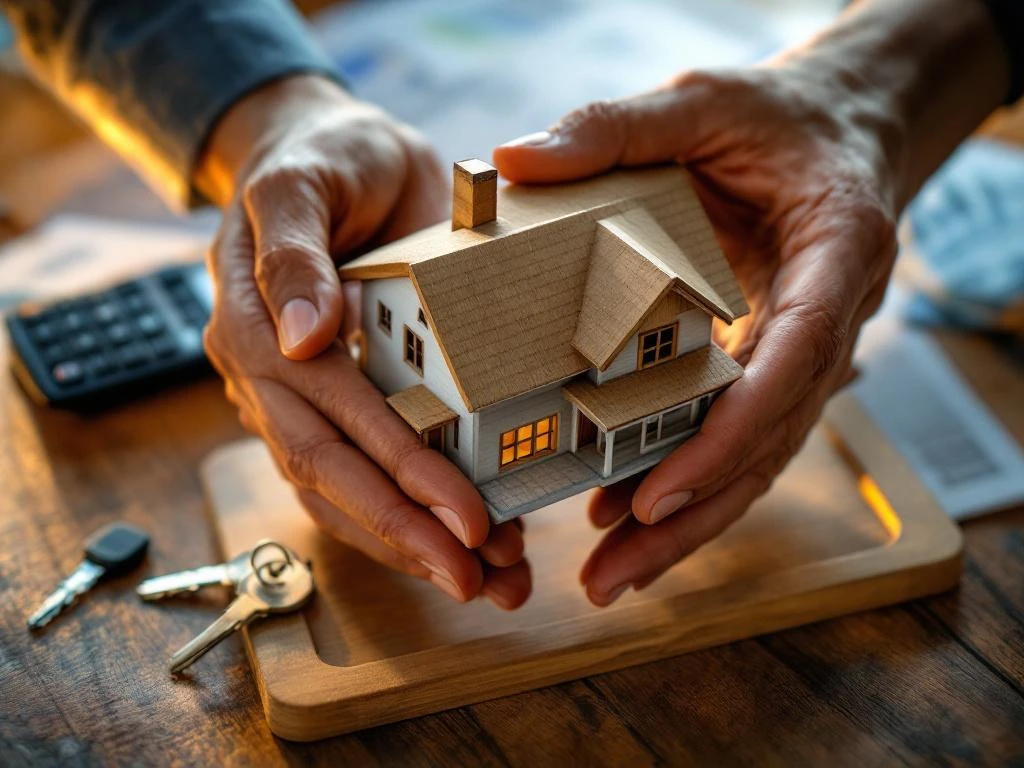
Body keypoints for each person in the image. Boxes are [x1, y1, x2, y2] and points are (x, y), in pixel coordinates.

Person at [4, 0, 1019, 608]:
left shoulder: (627, 307)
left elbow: (631, 325)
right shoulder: (442, 309)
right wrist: (274, 117)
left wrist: (872, 87)